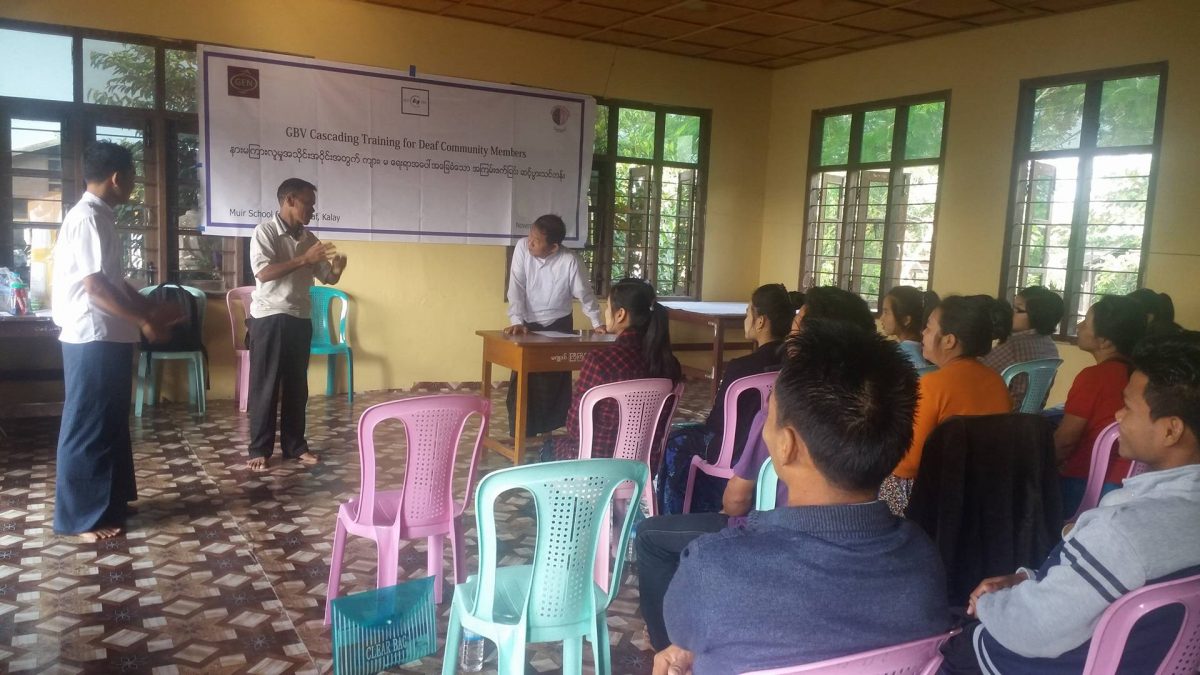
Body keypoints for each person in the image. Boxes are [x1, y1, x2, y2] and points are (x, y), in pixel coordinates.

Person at [653, 320, 950, 675]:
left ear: (787, 445)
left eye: (770, 412)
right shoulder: (923, 559)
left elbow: (685, 636)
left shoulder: (713, 568)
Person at [941, 331, 1200, 675]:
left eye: (1128, 406)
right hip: (1141, 660)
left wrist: (989, 603)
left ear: (1171, 431)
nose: (1118, 415)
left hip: (1030, 662)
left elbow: (1036, 628)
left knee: (950, 634)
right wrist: (1027, 580)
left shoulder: (1121, 531)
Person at [637, 286, 876, 651]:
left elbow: (735, 502)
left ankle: (666, 646)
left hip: (770, 536)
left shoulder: (784, 410)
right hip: (852, 542)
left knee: (652, 536)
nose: (790, 336)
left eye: (797, 327)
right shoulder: (876, 412)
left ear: (786, 446)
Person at [51, 141, 183, 541]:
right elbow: (94, 287)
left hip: (107, 335)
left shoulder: (100, 216)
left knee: (110, 422)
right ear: (116, 178)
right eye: (132, 176)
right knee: (87, 425)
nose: (134, 184)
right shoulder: (87, 218)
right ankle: (79, 519)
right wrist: (143, 320)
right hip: (91, 335)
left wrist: (149, 307)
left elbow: (113, 281)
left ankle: (110, 500)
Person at [656, 284, 800, 514]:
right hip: (773, 450)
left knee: (676, 440)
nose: (746, 318)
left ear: (760, 321)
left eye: (748, 312)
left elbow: (717, 422)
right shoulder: (793, 365)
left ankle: (675, 516)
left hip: (732, 452)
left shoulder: (741, 367)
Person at [246, 178, 347, 471]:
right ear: (289, 200)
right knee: (266, 386)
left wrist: (337, 269)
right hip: (270, 317)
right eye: (308, 204)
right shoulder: (264, 232)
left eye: (313, 205)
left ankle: (295, 446)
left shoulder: (310, 238)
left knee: (296, 387)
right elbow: (263, 273)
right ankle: (259, 449)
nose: (313, 210)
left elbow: (327, 278)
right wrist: (304, 259)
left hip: (300, 318)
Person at [880, 295, 1012, 515]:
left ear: (949, 341)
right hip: (982, 493)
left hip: (937, 497)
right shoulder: (996, 381)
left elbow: (908, 465)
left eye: (929, 328)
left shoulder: (932, 386)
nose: (922, 333)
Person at [542, 278, 680, 461]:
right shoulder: (669, 364)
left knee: (548, 448)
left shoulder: (600, 361)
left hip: (597, 463)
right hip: (643, 465)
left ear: (620, 314)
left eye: (607, 307)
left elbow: (575, 427)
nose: (605, 312)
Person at [504, 214, 604, 438]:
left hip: (559, 323)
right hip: (527, 325)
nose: (530, 242)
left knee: (552, 381)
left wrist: (597, 323)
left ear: (553, 247)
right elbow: (516, 287)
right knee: (523, 380)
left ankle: (549, 433)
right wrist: (516, 321)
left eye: (537, 240)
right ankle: (522, 434)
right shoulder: (522, 248)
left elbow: (584, 294)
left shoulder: (570, 260)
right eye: (530, 236)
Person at [1056, 295, 1146, 516]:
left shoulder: (1094, 377)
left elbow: (1065, 442)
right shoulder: (1141, 375)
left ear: (1105, 341)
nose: (1079, 326)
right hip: (1133, 482)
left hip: (1086, 482)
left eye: (1086, 323)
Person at [981, 286, 1063, 408]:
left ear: (1037, 317)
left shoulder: (1013, 346)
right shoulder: (1050, 345)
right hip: (1030, 415)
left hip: (1001, 414)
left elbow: (976, 372)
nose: (1010, 314)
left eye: (1018, 310)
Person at [881, 285, 939, 369]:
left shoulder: (897, 357)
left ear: (906, 320)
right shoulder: (930, 353)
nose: (881, 318)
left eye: (886, 312)